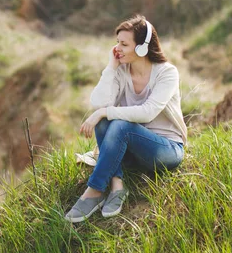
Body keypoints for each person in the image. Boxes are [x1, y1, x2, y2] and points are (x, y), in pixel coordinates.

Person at [65, 15, 187, 223]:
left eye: (124, 44)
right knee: (105, 121)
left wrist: (105, 112)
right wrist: (111, 68)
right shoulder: (121, 71)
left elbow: (147, 112)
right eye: (117, 42)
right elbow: (98, 102)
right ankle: (117, 186)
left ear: (142, 48)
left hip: (166, 150)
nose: (117, 48)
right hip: (132, 151)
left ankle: (94, 191)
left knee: (117, 123)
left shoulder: (167, 73)